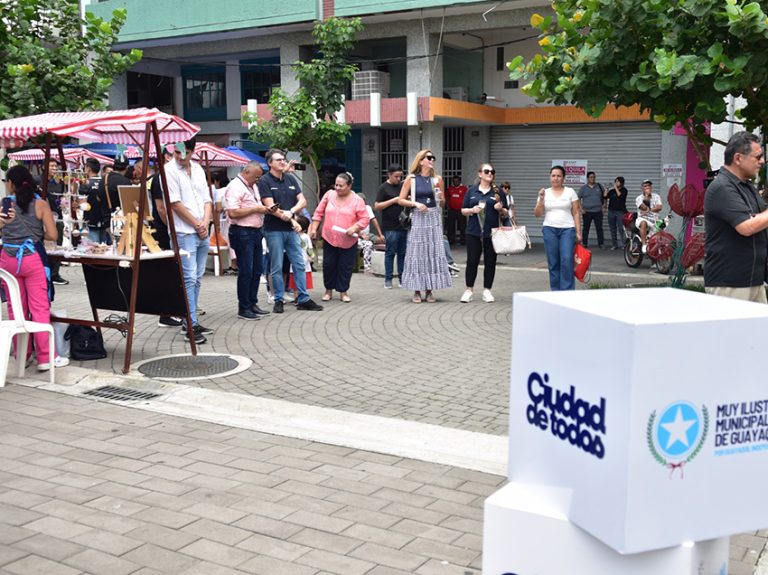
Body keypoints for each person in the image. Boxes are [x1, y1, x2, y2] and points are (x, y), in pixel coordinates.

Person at [0, 166, 69, 371]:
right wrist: (37, 234)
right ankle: (46, 358)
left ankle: (22, 354)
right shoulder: (40, 204)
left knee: (16, 309)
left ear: (11, 184)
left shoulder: (4, 205)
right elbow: (52, 235)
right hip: (32, 259)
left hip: (7, 261)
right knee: (39, 308)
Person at [704, 131, 768, 303]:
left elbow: (759, 220)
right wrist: (758, 219)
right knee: (730, 331)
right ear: (738, 158)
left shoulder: (747, 186)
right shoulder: (721, 187)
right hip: (729, 283)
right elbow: (747, 227)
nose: (762, 161)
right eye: (758, 157)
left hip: (754, 280)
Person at [258, 148, 323, 313]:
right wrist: (289, 217)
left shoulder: (290, 179)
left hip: (291, 230)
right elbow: (269, 206)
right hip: (274, 229)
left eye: (283, 159)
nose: (282, 162)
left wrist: (291, 212)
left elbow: (303, 201)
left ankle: (303, 298)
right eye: (278, 160)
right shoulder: (265, 181)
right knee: (277, 266)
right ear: (269, 163)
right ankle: (278, 299)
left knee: (299, 263)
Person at [166, 138, 213, 344]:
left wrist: (205, 222)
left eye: (183, 152)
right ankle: (190, 322)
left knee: (198, 276)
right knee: (189, 277)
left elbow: (207, 199)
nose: (179, 156)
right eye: (176, 152)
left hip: (200, 228)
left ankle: (190, 318)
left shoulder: (198, 169)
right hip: (184, 231)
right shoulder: (169, 170)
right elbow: (175, 203)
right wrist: (197, 224)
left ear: (192, 151)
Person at [397, 149, 452, 303]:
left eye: (433, 157)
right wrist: (415, 203)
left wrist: (441, 198)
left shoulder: (437, 179)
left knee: (433, 252)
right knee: (417, 253)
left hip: (433, 216)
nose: (431, 160)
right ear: (421, 161)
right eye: (428, 157)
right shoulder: (411, 179)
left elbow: (443, 203)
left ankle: (429, 290)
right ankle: (416, 290)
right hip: (419, 217)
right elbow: (400, 200)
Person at [309, 173, 370, 303]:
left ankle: (343, 291)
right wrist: (314, 228)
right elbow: (318, 213)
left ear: (349, 186)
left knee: (345, 266)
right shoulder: (329, 195)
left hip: (348, 239)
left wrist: (355, 228)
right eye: (336, 185)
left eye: (341, 186)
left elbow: (365, 218)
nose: (337, 188)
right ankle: (328, 290)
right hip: (329, 236)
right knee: (329, 264)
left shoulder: (357, 200)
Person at [224, 161, 270, 320]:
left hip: (256, 231)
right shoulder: (235, 187)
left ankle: (252, 303)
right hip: (242, 232)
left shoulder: (252, 186)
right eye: (256, 177)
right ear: (247, 172)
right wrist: (256, 209)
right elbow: (233, 213)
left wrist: (262, 209)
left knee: (257, 269)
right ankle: (243, 308)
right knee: (246, 271)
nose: (258, 180)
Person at [460, 163, 510, 303]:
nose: (490, 174)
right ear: (480, 174)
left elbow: (506, 212)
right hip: (473, 231)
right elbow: (463, 210)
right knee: (472, 261)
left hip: (491, 232)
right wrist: (472, 210)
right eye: (487, 171)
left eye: (492, 172)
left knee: (490, 262)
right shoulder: (471, 191)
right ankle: (469, 290)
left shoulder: (498, 192)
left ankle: (487, 290)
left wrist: (500, 208)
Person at [535, 165, 582, 291]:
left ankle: (567, 293)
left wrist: (578, 232)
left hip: (567, 229)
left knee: (566, 261)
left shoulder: (570, 192)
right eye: (553, 175)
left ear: (563, 178)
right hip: (549, 229)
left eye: (559, 176)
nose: (556, 178)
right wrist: (541, 199)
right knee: (553, 263)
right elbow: (538, 214)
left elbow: (576, 212)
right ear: (550, 177)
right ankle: (555, 292)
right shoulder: (545, 193)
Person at [374, 163, 407, 289]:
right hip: (390, 226)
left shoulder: (403, 186)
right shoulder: (383, 188)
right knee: (390, 253)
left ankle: (402, 278)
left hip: (403, 225)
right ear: (389, 175)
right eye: (396, 177)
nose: (398, 179)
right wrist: (393, 200)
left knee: (403, 253)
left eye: (400, 177)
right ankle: (388, 279)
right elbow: (377, 206)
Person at [45, 160, 68, 286]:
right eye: (51, 165)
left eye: (55, 166)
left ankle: (55, 273)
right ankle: (47, 271)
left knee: (57, 245)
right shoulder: (39, 181)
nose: (54, 168)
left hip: (58, 218)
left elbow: (62, 198)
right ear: (45, 167)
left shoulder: (59, 183)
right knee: (46, 246)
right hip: (43, 219)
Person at [81, 158, 109, 244]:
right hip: (105, 221)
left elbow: (82, 204)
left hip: (90, 222)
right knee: (104, 250)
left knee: (93, 250)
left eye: (85, 167)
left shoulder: (86, 183)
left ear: (88, 168)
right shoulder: (104, 182)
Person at [578, 171, 605, 249]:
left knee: (599, 228)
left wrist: (604, 206)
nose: (593, 179)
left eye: (594, 177)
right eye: (591, 177)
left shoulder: (599, 186)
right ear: (587, 178)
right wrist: (581, 208)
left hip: (598, 211)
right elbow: (578, 198)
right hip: (587, 212)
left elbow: (604, 197)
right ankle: (585, 243)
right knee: (586, 228)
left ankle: (601, 243)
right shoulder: (583, 188)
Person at [635, 179, 663, 252]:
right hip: (642, 218)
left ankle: (654, 261)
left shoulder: (656, 196)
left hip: (655, 220)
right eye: (645, 186)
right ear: (642, 188)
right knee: (643, 223)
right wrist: (647, 196)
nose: (648, 187)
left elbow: (659, 207)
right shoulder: (639, 198)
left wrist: (649, 209)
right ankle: (644, 245)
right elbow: (643, 207)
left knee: (660, 233)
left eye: (649, 186)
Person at [604, 176, 628, 250]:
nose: (616, 183)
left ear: (621, 183)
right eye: (616, 181)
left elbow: (620, 195)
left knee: (621, 228)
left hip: (620, 212)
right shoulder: (612, 191)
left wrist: (616, 188)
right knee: (612, 228)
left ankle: (624, 244)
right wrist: (606, 189)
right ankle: (614, 245)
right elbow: (605, 196)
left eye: (618, 182)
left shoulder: (624, 190)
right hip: (611, 211)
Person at [446, 175, 468, 245]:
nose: (455, 182)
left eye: (457, 181)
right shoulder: (450, 189)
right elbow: (446, 197)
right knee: (451, 226)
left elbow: (467, 198)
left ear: (459, 181)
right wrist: (448, 206)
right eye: (454, 181)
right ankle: (451, 240)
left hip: (461, 210)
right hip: (452, 210)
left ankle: (463, 240)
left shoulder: (464, 189)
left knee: (462, 226)